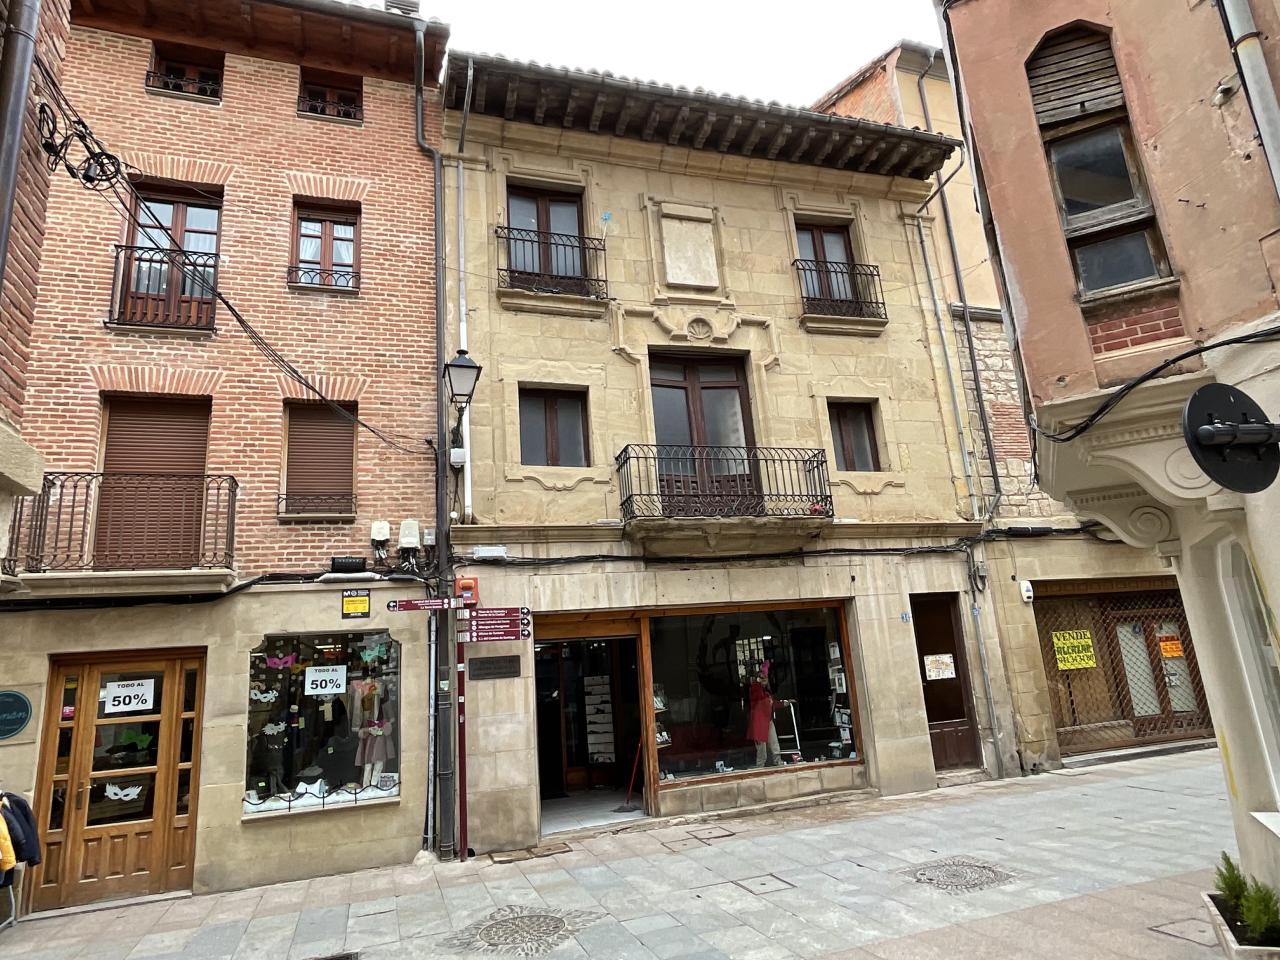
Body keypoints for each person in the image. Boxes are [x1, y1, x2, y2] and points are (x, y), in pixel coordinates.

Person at [747, 661, 790, 767]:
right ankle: (760, 768)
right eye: (762, 678)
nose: (765, 680)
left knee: (774, 744)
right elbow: (759, 697)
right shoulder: (755, 689)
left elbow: (772, 703)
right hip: (758, 723)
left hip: (768, 721)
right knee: (762, 751)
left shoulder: (766, 692)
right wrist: (757, 682)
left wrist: (784, 703)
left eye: (765, 678)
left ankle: (778, 762)